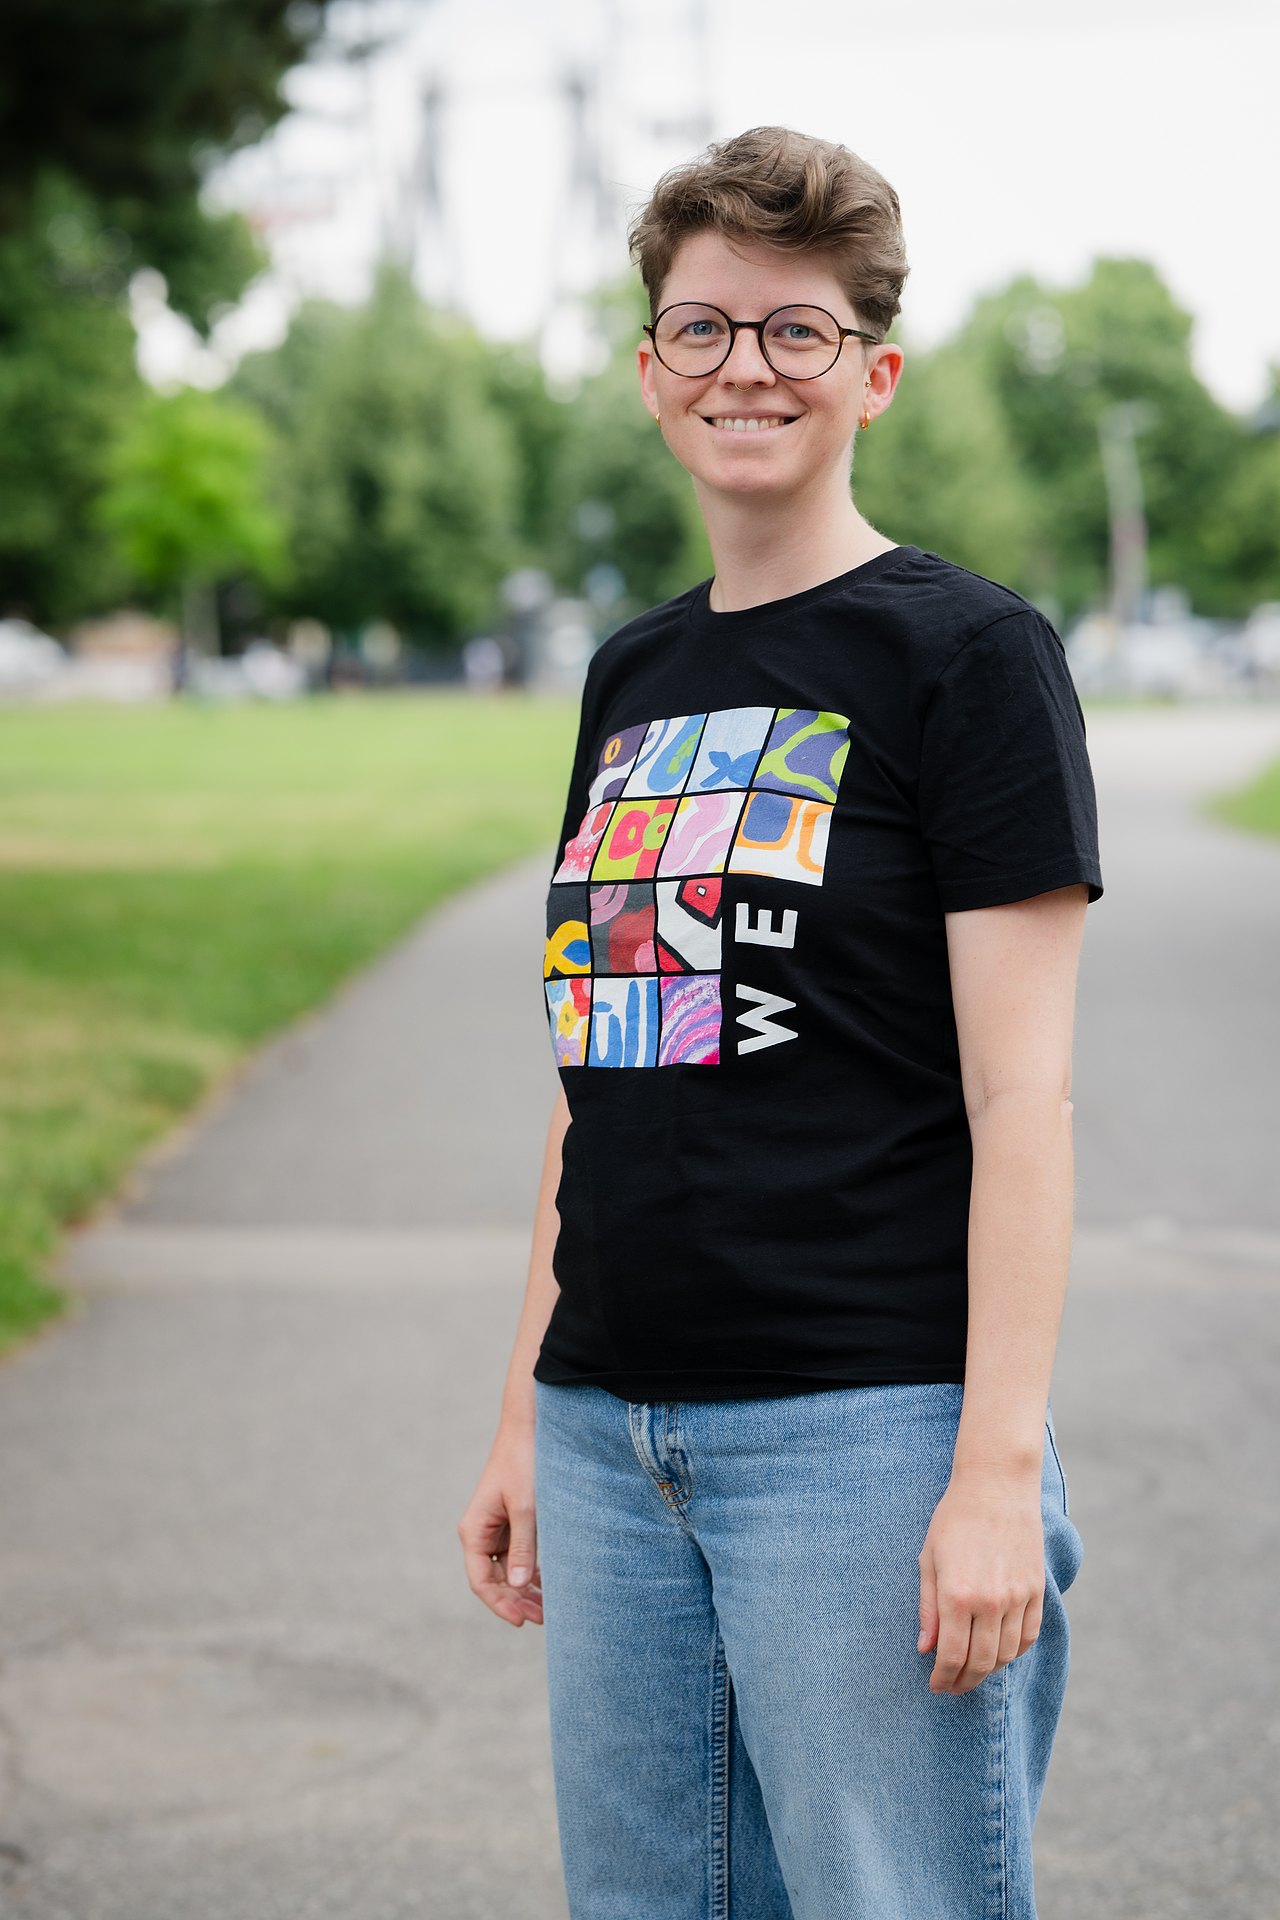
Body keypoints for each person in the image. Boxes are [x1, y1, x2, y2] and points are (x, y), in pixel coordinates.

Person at [458, 124, 1102, 1920]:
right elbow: (602, 1072)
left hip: (862, 1440)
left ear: (872, 373)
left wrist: (993, 1474)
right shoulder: (632, 674)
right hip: (611, 1437)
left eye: (797, 329)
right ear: (649, 369)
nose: (745, 365)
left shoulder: (966, 657)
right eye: (704, 325)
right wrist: (525, 1412)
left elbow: (1025, 1097)